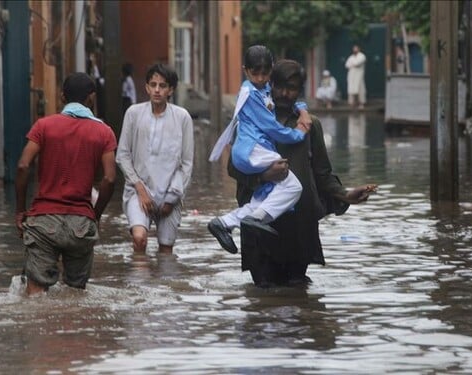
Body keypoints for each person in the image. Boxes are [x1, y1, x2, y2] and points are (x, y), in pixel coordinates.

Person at [228, 59, 377, 286]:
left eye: (292, 89)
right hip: (260, 223)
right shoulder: (251, 119)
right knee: (262, 295)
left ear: (300, 91)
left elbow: (322, 174)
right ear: (270, 84)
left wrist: (345, 195)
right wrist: (263, 176)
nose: (285, 94)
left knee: (298, 293)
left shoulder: (310, 125)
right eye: (280, 87)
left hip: (300, 226)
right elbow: (233, 166)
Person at [14, 72, 117, 296]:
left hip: (43, 220)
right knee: (76, 295)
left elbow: (23, 166)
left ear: (62, 97)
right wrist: (95, 215)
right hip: (80, 223)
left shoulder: (43, 126)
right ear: (91, 98)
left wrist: (21, 210)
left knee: (35, 294)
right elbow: (109, 179)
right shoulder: (104, 132)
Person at [207, 45, 312, 255]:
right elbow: (272, 127)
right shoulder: (250, 94)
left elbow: (321, 172)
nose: (260, 78)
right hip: (252, 149)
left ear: (271, 70)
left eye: (265, 74)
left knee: (259, 202)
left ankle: (224, 222)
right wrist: (299, 132)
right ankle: (255, 220)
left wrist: (303, 109)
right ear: (246, 71)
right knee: (293, 187)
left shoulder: (264, 91)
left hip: (253, 150)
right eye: (255, 74)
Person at [116, 63, 194, 255]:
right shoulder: (133, 114)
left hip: (170, 191)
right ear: (147, 87)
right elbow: (123, 155)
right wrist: (140, 188)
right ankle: (140, 283)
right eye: (153, 85)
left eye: (163, 86)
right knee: (139, 238)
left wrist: (171, 198)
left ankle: (159, 285)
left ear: (171, 90)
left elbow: (186, 163)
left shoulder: (182, 117)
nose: (157, 90)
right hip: (138, 190)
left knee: (166, 250)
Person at [345, 45, 367, 109]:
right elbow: (347, 65)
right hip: (351, 76)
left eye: (356, 49)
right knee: (351, 89)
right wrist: (352, 64)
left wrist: (352, 64)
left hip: (359, 75)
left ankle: (361, 103)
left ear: (359, 49)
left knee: (360, 89)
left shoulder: (362, 56)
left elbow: (357, 63)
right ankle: (352, 103)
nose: (355, 50)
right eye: (354, 49)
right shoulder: (351, 57)